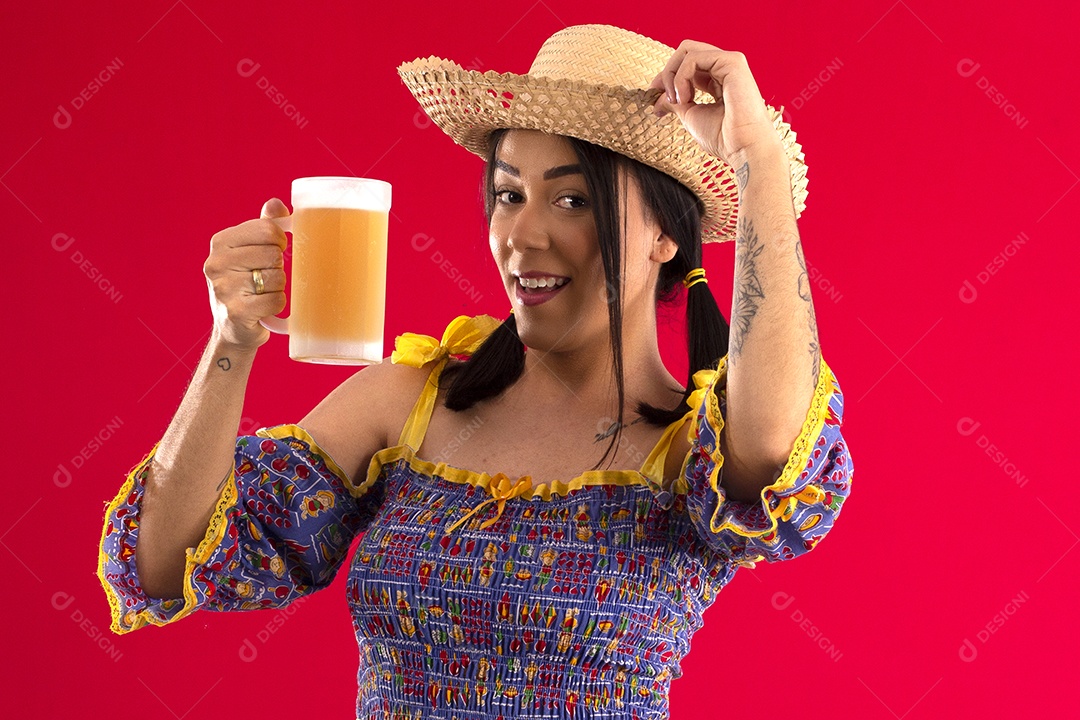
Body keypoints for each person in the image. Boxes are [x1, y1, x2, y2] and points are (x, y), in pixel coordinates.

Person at [98, 24, 852, 719]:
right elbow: (164, 560)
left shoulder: (693, 452)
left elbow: (778, 463)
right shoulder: (408, 402)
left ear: (664, 234)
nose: (522, 234)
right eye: (508, 195)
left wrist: (760, 168)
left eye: (573, 198)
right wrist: (232, 342)